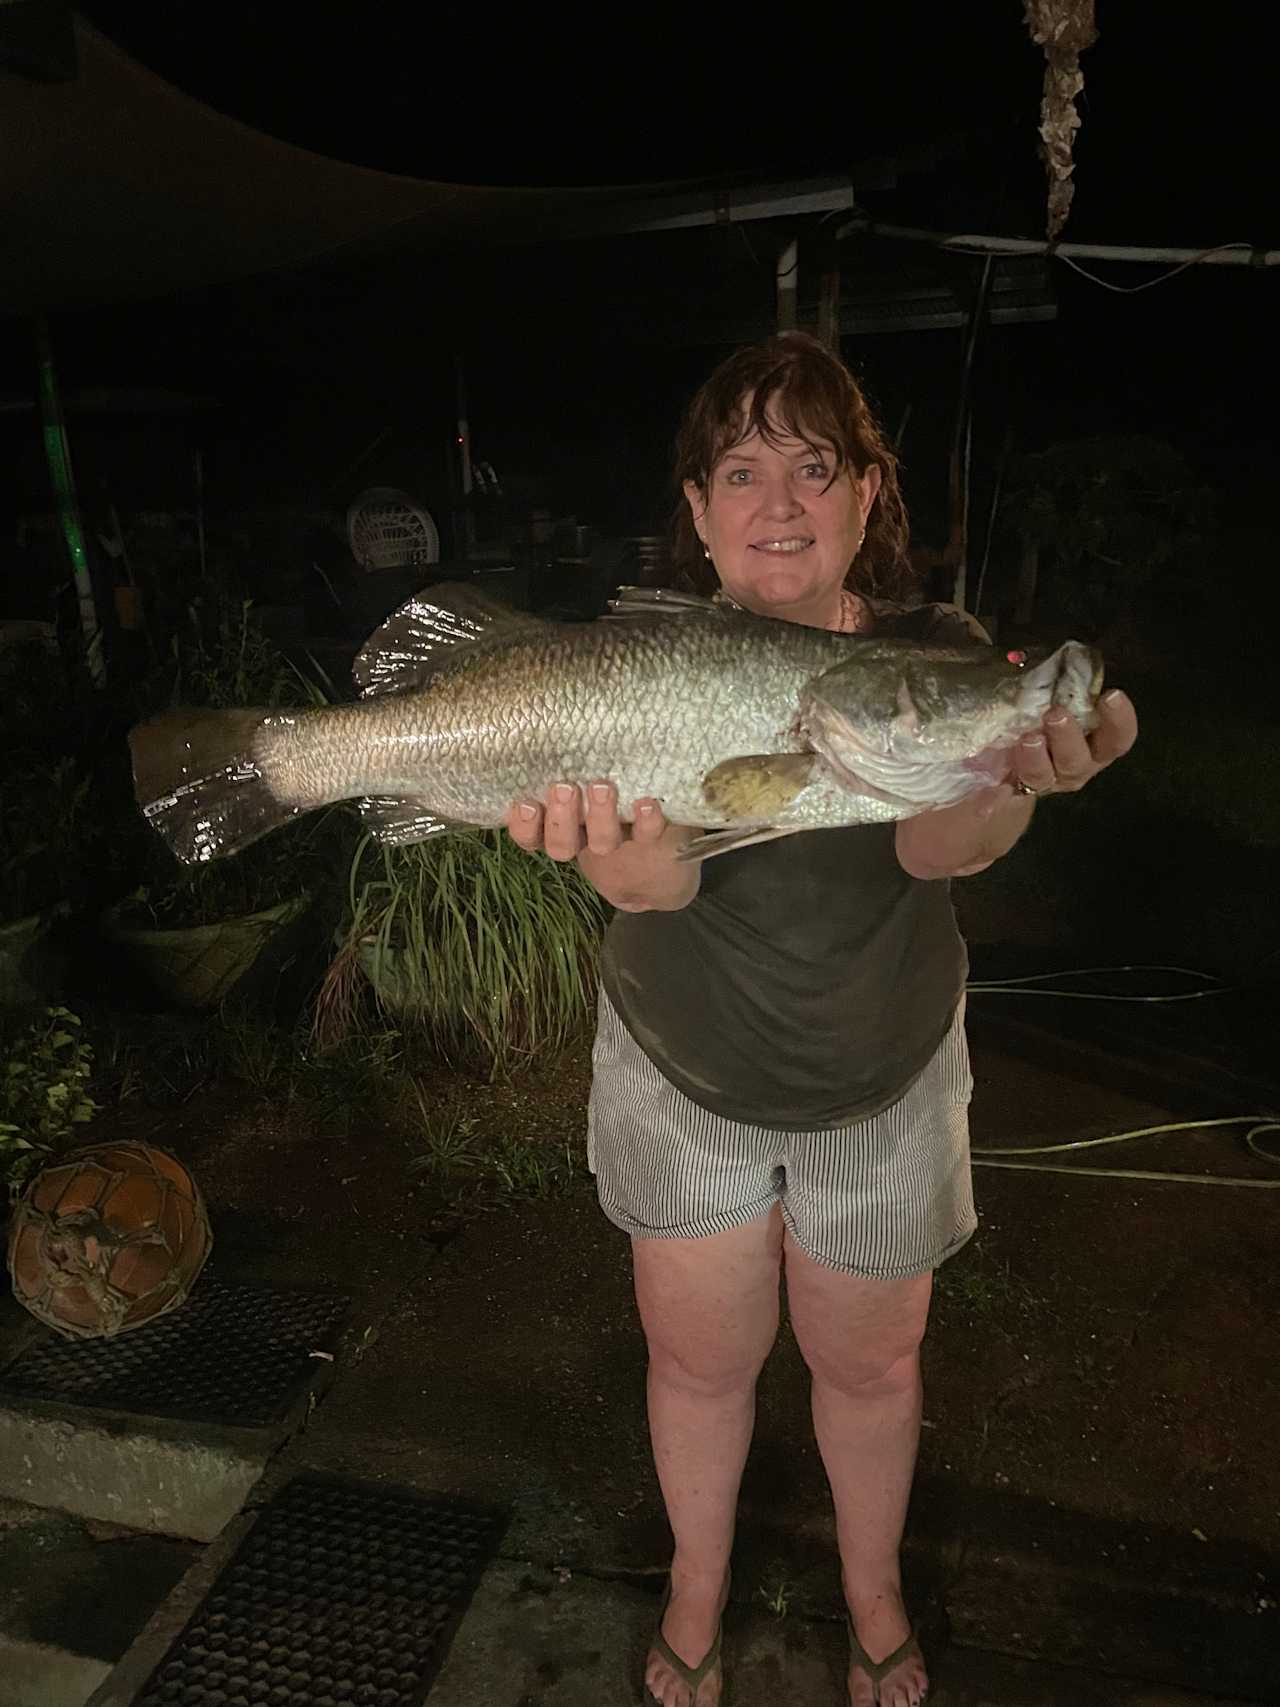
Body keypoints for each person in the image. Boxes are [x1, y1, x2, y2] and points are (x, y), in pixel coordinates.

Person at [505, 333, 1137, 1707]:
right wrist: (620, 865)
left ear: (867, 494)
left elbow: (935, 853)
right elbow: (663, 880)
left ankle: (872, 1592)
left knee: (871, 1364)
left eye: (812, 466)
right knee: (697, 1358)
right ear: (696, 512)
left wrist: (1017, 771)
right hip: (683, 1071)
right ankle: (693, 1590)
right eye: (740, 469)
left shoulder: (939, 656)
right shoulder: (653, 659)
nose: (778, 501)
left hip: (883, 1071)